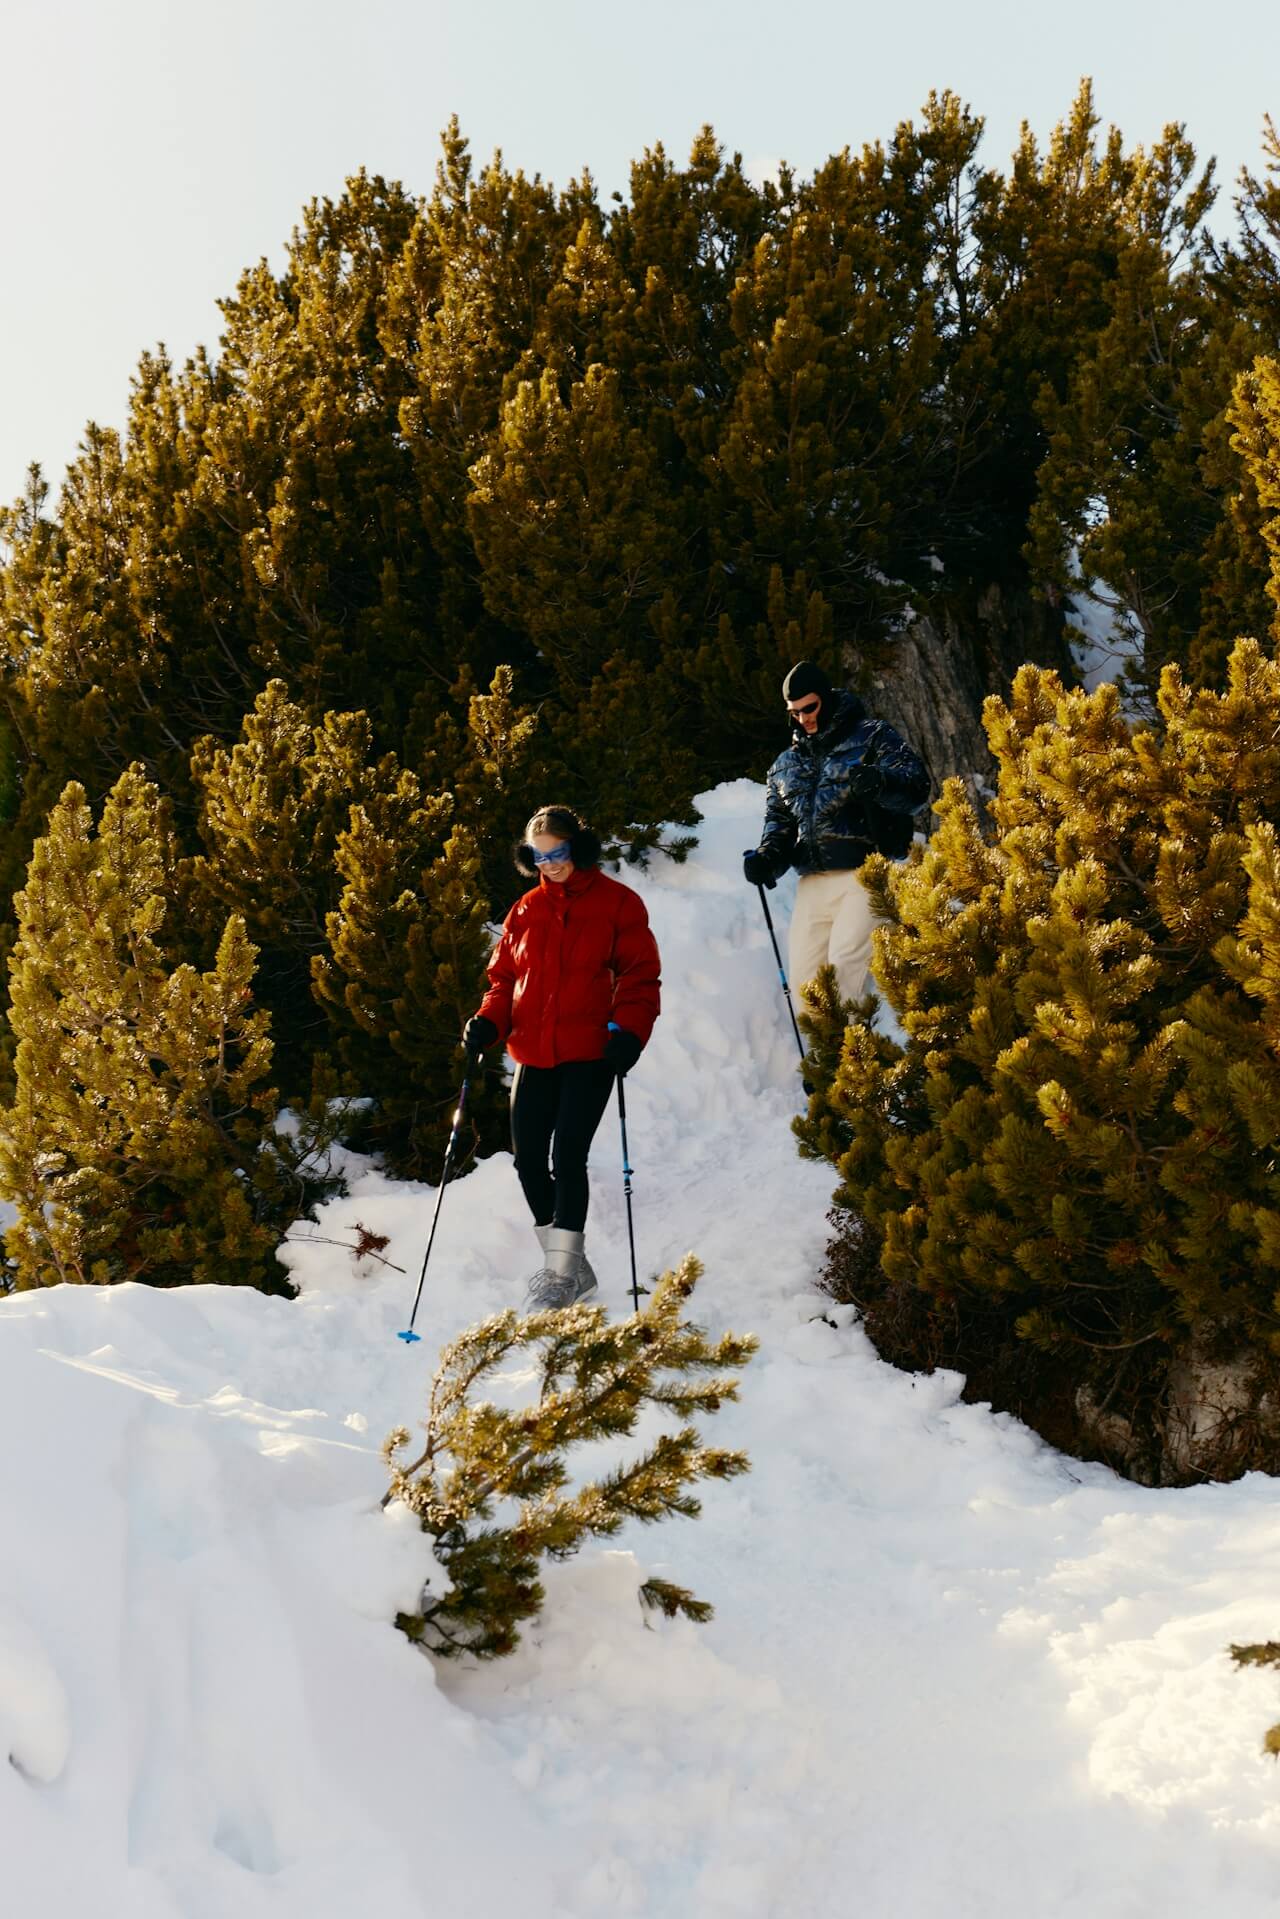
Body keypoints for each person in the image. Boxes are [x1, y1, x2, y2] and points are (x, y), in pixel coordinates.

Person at [463, 805, 661, 1309]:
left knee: (567, 1157)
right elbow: (504, 979)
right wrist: (489, 1022)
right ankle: (572, 1263)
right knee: (528, 1160)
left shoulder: (619, 904)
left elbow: (640, 976)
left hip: (592, 1051)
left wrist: (630, 1034)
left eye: (559, 852)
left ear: (579, 847)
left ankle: (559, 1275)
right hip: (533, 1051)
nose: (549, 863)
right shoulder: (525, 909)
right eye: (538, 855)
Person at [743, 661, 929, 1008]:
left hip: (865, 871)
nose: (803, 719)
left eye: (809, 708)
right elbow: (779, 826)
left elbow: (917, 787)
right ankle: (826, 1061)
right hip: (814, 881)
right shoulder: (785, 764)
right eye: (794, 712)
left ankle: (855, 1059)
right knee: (806, 987)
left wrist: (882, 782)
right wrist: (766, 859)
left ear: (825, 699)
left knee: (845, 970)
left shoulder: (873, 736)